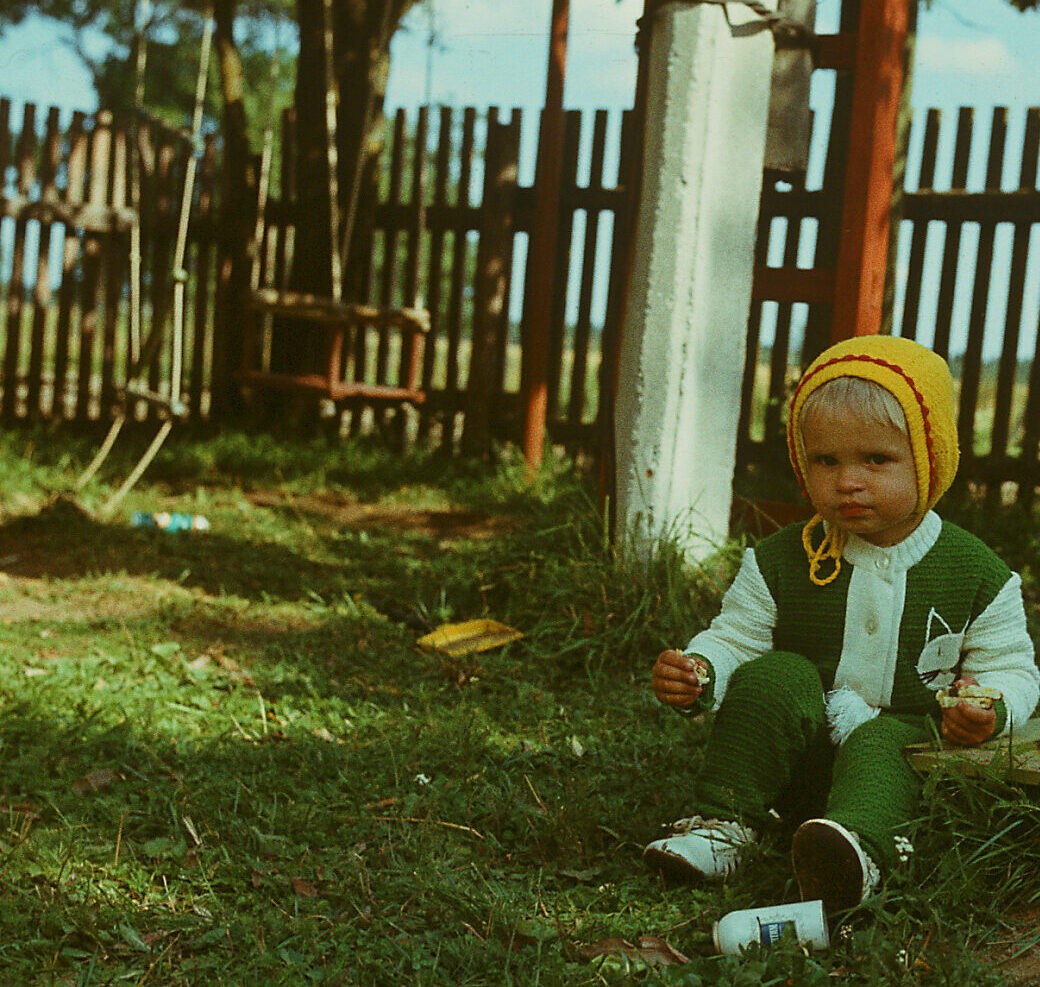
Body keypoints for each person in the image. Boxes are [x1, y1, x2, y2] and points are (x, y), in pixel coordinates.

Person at [644, 335, 1040, 914]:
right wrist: (702, 670)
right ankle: (724, 825)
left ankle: (855, 853)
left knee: (884, 738)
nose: (848, 481)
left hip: (900, 766)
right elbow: (735, 638)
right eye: (826, 461)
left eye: (876, 460)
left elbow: (1012, 669)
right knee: (775, 674)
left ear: (929, 459)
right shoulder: (781, 559)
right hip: (798, 759)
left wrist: (990, 706)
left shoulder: (976, 573)